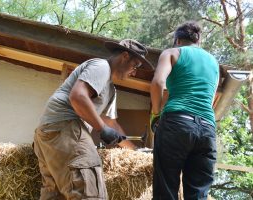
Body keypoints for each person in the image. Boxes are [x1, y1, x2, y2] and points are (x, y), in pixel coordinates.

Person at [33, 39, 153, 200]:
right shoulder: (101, 67)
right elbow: (78, 96)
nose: (135, 72)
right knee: (90, 193)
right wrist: (101, 129)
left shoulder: (110, 90)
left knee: (55, 195)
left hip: (51, 134)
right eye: (135, 65)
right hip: (65, 128)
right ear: (125, 56)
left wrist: (135, 151)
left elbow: (112, 124)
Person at [150, 21, 219, 200]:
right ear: (198, 41)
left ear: (177, 40)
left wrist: (156, 113)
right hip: (207, 128)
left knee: (166, 188)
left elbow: (158, 83)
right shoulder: (214, 63)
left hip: (177, 123)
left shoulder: (172, 52)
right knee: (198, 193)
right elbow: (211, 100)